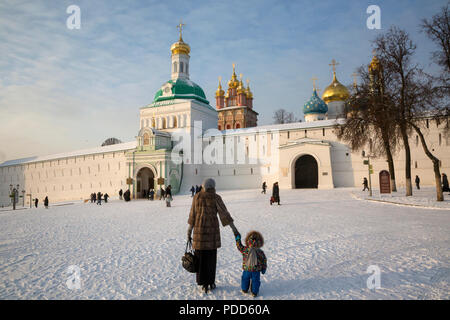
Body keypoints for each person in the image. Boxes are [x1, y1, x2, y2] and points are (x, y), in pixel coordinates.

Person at [187, 178, 240, 294]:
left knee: (200, 259)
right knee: (211, 260)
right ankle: (210, 282)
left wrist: (189, 231)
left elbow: (192, 215)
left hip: (199, 236)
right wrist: (234, 229)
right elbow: (224, 214)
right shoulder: (216, 197)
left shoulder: (196, 197)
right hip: (212, 235)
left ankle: (203, 283)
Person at [235, 231, 267, 298]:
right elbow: (264, 260)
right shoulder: (260, 251)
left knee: (245, 279)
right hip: (256, 270)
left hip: (247, 269)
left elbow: (239, 246)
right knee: (255, 281)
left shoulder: (245, 249)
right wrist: (264, 268)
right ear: (260, 242)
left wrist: (238, 239)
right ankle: (254, 292)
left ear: (248, 240)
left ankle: (244, 289)